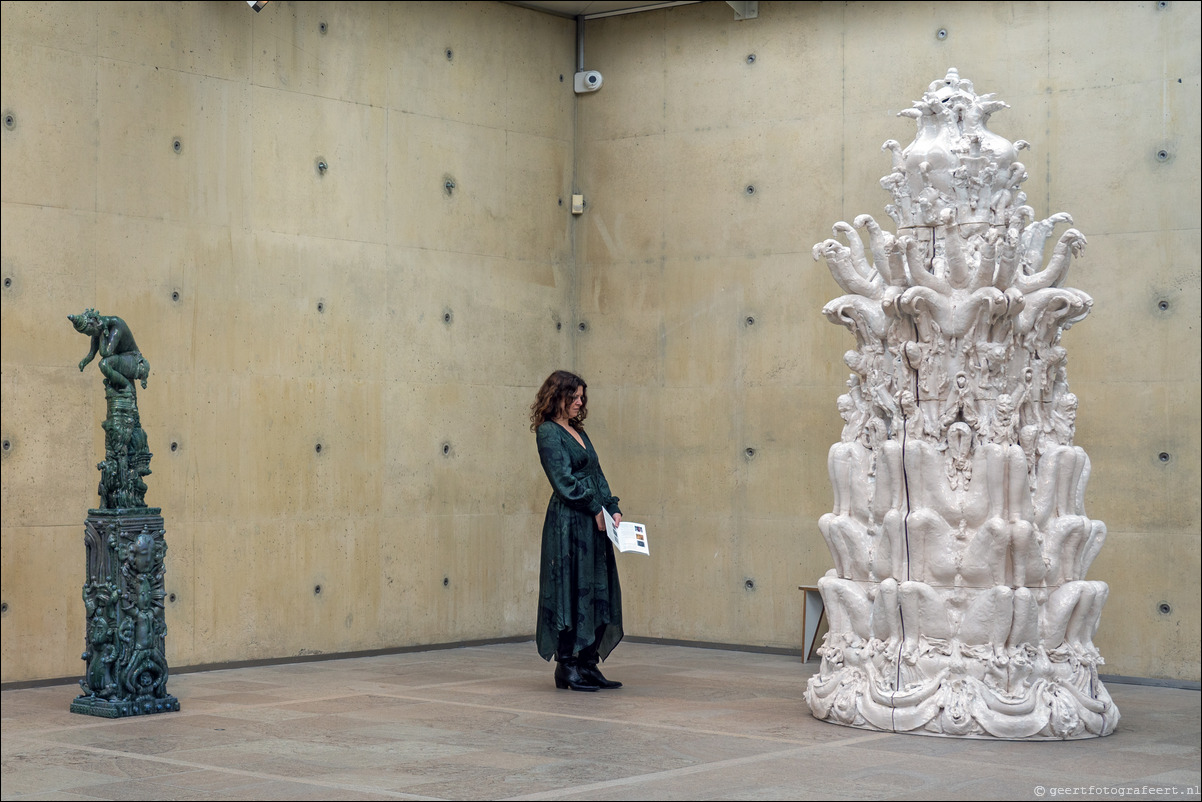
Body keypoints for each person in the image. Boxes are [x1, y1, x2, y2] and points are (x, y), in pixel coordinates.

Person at [530, 370, 624, 691]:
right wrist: (594, 507)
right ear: (558, 396)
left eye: (583, 397)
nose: (580, 402)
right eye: (575, 396)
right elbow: (563, 481)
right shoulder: (548, 432)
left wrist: (611, 507)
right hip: (569, 523)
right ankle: (566, 666)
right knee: (571, 587)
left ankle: (587, 664)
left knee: (598, 586)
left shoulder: (578, 432)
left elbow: (597, 474)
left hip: (594, 522)